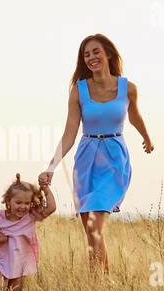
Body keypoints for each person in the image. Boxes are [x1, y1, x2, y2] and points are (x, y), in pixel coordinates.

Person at [39, 34, 153, 275]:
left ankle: (101, 285)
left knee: (95, 226)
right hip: (86, 159)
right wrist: (51, 167)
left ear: (109, 54)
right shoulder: (78, 91)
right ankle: (100, 287)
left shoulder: (128, 88)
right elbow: (69, 133)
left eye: (95, 52)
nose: (91, 58)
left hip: (114, 159)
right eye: (86, 54)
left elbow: (134, 116)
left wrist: (146, 137)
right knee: (91, 233)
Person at [0, 173, 56, 291]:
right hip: (1, 260)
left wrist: (46, 189)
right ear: (8, 201)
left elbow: (51, 208)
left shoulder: (31, 216)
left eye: (27, 203)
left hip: (22, 262)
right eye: (18, 202)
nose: (22, 207)